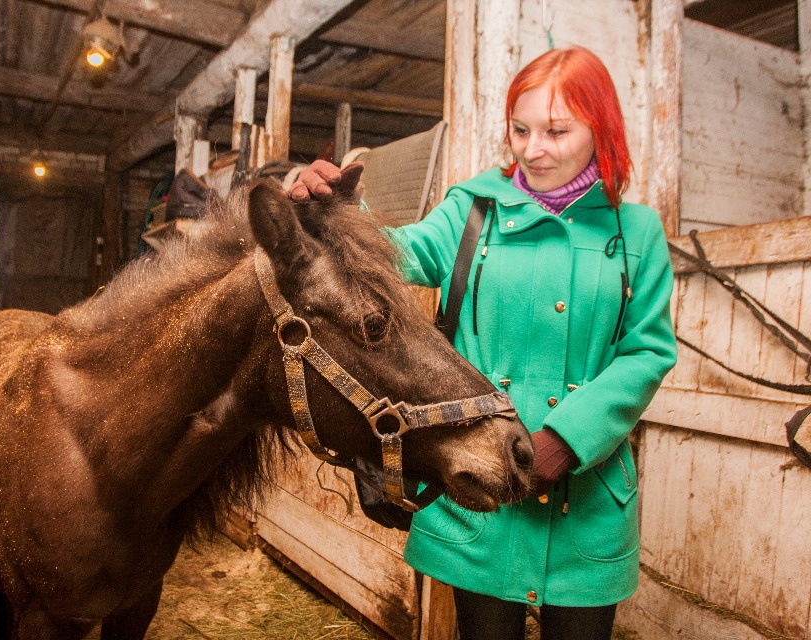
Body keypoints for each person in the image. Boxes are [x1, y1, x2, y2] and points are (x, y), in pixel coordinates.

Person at [288, 46, 677, 640]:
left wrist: (568, 441)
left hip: (589, 501)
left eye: (556, 131)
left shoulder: (637, 233)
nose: (533, 148)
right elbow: (402, 253)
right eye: (520, 129)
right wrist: (337, 214)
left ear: (600, 129)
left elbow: (647, 351)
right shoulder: (474, 210)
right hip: (481, 477)